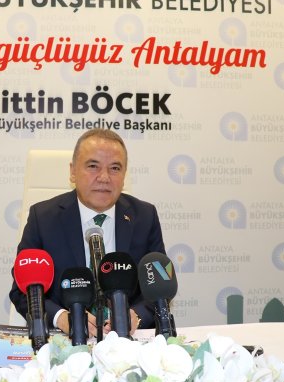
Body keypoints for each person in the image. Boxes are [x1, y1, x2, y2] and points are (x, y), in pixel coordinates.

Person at [9, 128, 166, 336]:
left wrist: (135, 315)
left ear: (124, 175)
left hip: (127, 341)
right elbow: (22, 291)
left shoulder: (144, 217)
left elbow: (160, 285)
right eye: (93, 166)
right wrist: (62, 318)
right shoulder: (43, 218)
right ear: (73, 172)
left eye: (115, 168)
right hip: (65, 340)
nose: (104, 177)